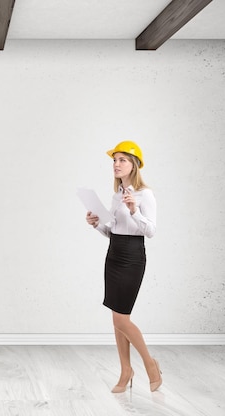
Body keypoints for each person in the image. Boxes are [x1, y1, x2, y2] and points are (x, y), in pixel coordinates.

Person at [85, 140, 162, 393]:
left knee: (121, 318)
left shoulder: (145, 195)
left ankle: (150, 364)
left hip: (132, 256)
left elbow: (150, 231)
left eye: (122, 160)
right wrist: (96, 223)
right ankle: (126, 370)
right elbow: (112, 231)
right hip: (114, 254)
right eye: (114, 160)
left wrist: (134, 210)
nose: (116, 165)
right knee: (117, 318)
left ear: (134, 165)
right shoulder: (117, 195)